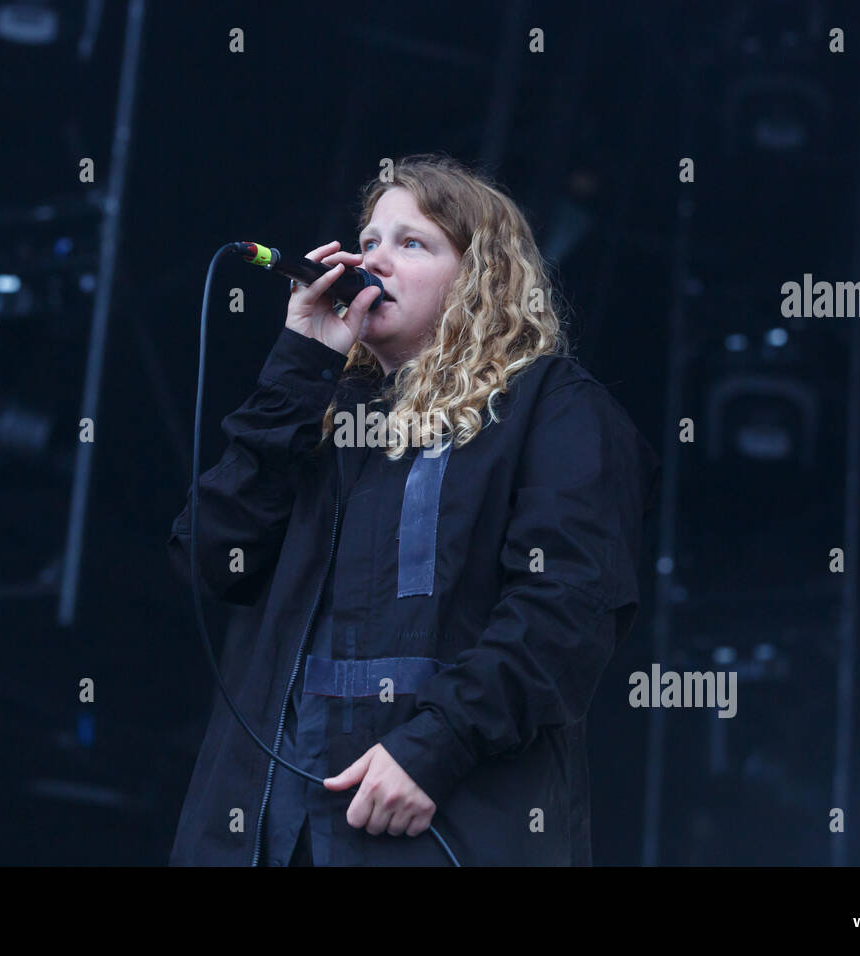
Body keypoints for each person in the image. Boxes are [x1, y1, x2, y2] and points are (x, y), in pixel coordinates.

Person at [166, 153, 661, 866]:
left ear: (479, 278)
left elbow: (569, 608)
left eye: (411, 243)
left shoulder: (555, 409)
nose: (376, 261)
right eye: (368, 242)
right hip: (272, 830)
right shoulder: (319, 416)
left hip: (442, 824)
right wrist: (300, 366)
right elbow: (207, 557)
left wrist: (436, 745)